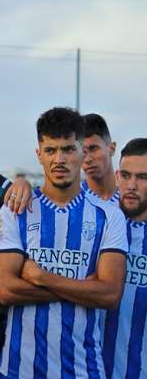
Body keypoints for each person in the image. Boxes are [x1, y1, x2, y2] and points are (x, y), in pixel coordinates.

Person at [0, 107, 127, 379]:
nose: (59, 159)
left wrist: (42, 277)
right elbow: (6, 290)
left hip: (84, 369)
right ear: (39, 154)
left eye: (68, 149)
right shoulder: (16, 210)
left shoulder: (109, 215)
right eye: (51, 150)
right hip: (20, 370)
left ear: (83, 152)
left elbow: (110, 295)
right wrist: (83, 288)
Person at [103, 138, 147, 378]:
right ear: (117, 176)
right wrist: (20, 186)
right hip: (93, 370)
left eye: (142, 177)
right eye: (126, 175)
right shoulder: (99, 219)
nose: (131, 185)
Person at [81, 113, 119, 204]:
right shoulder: (69, 201)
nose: (87, 159)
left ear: (112, 148)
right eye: (81, 152)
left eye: (93, 148)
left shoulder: (135, 200)